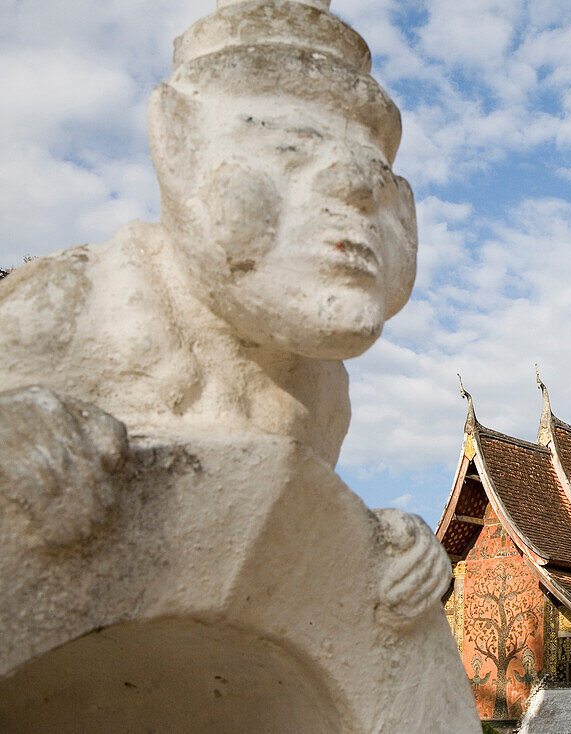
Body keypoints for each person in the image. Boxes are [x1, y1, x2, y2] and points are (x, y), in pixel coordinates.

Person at [0, 0, 448, 626]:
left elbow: (261, 564)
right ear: (176, 147)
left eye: (380, 181)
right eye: (292, 148)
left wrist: (384, 557)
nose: (355, 190)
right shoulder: (66, 307)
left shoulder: (322, 392)